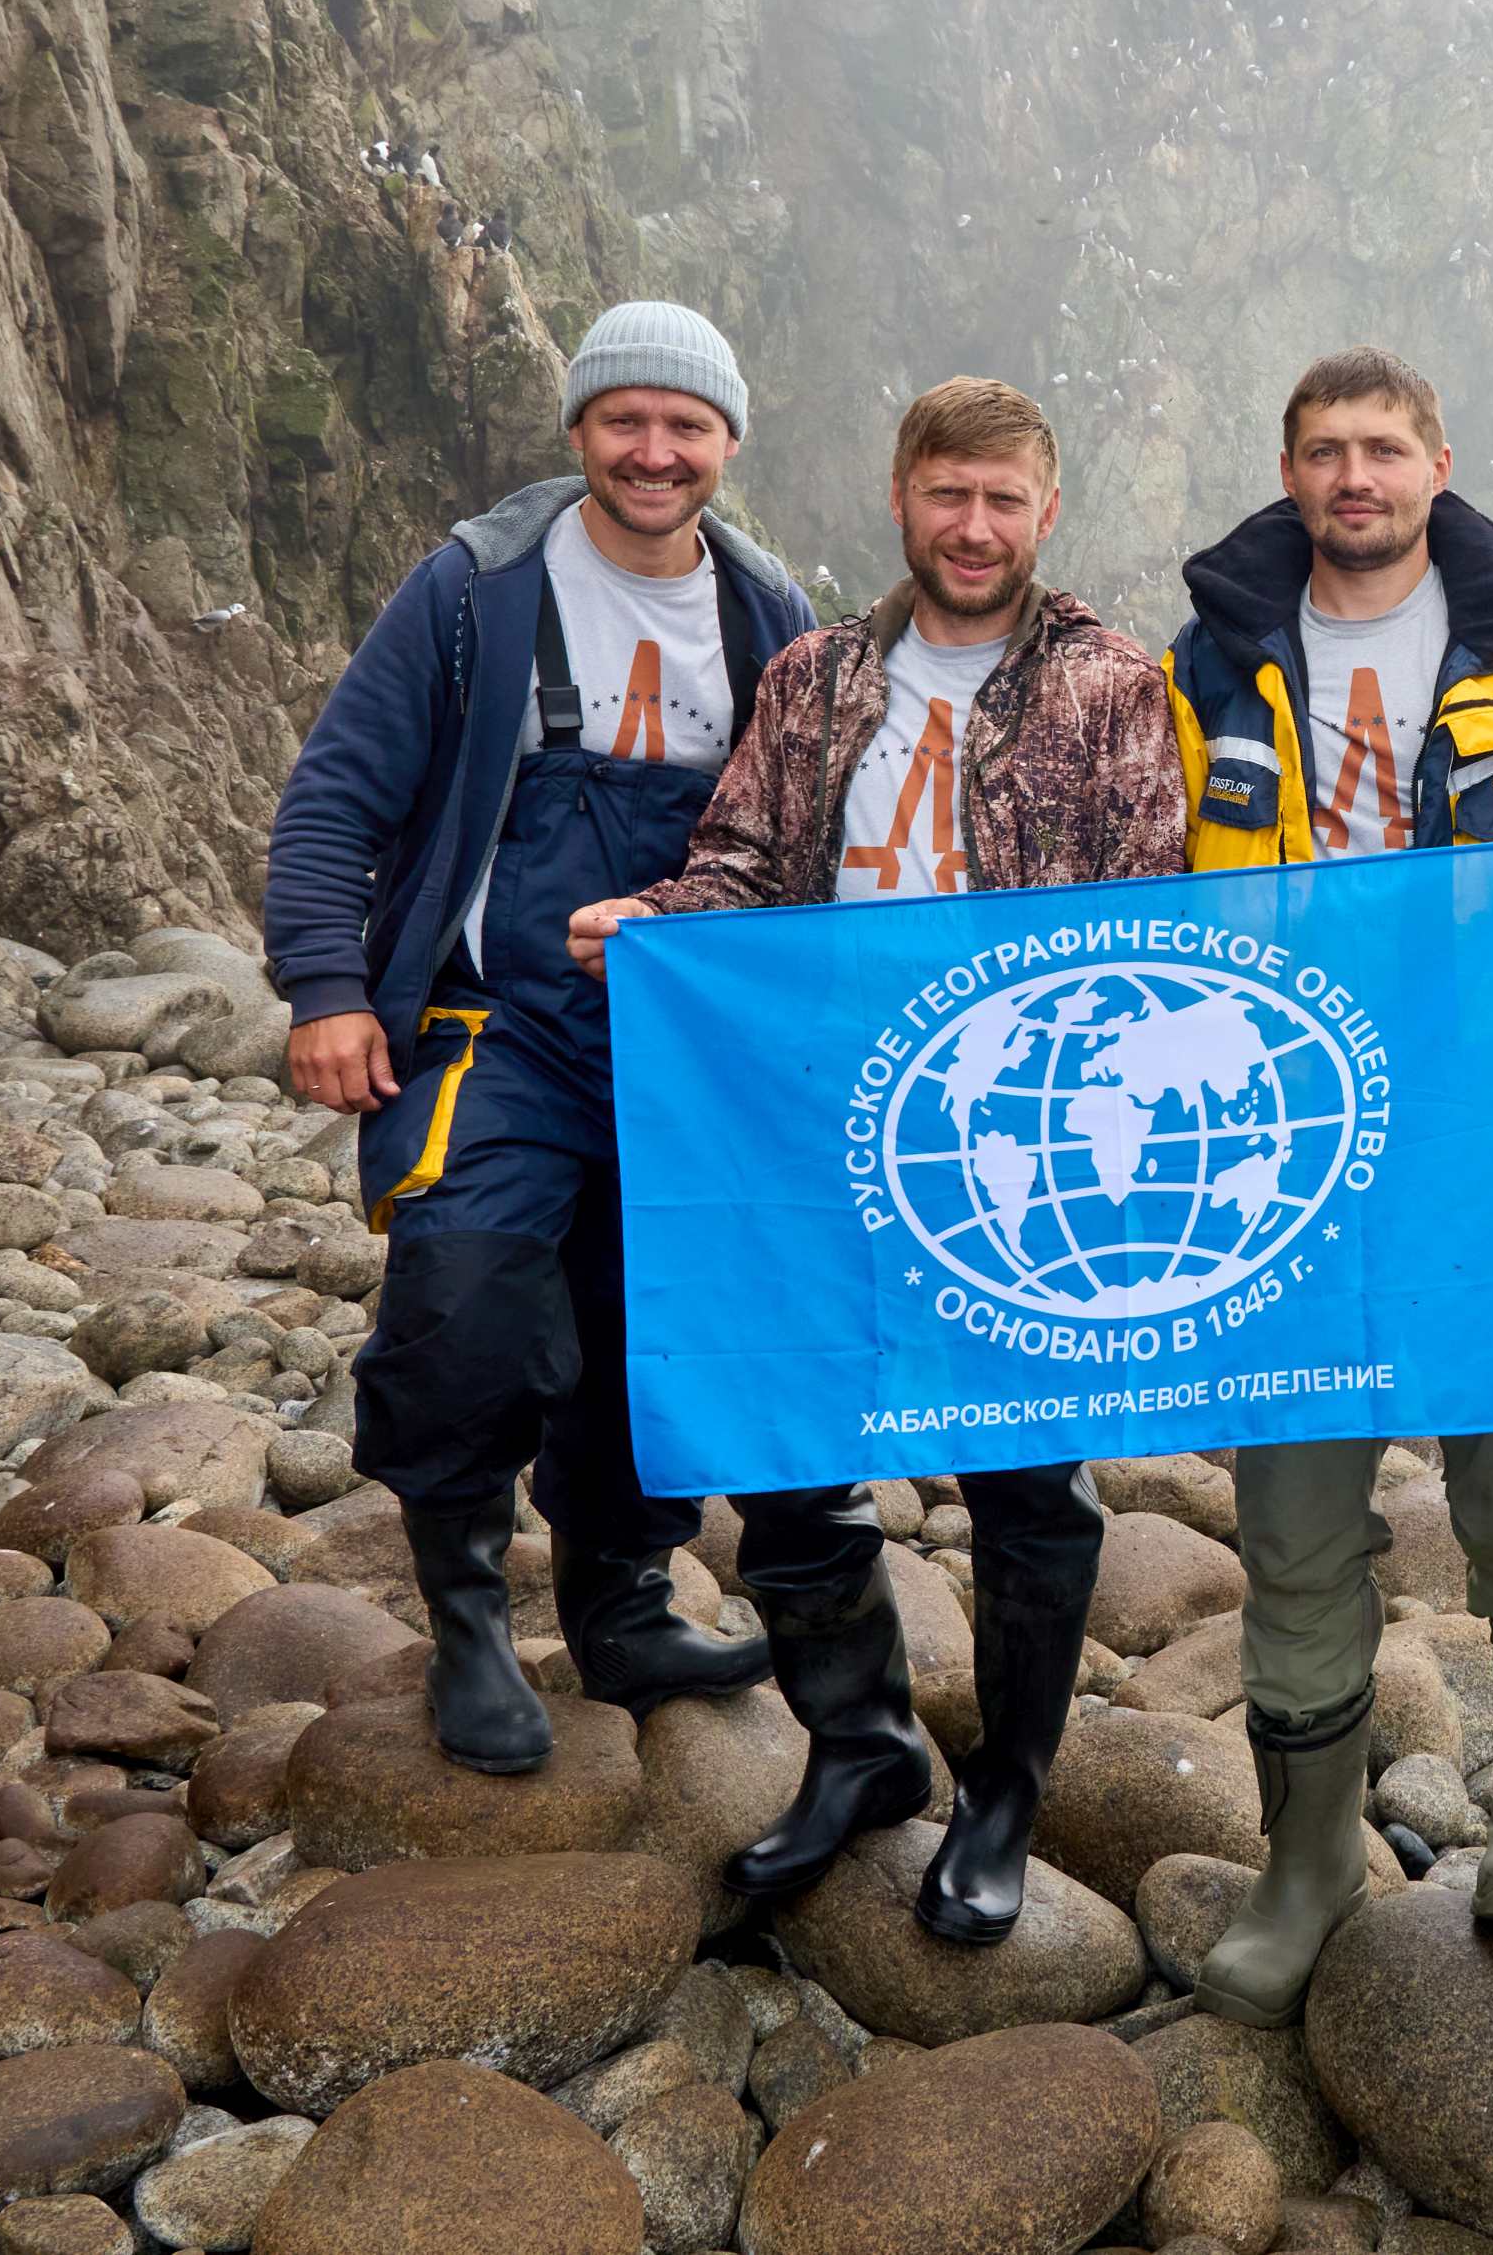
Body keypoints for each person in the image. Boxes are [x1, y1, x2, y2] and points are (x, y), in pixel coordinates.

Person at [568, 376, 1185, 1947]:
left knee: (1025, 1479)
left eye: (1002, 500)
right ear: (899, 501)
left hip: (1014, 1137)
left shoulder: (1113, 686)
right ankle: (861, 1745)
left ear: (1046, 513)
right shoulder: (817, 675)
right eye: (943, 496)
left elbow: (1146, 919)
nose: (970, 528)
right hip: (812, 1119)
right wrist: (664, 924)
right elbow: (742, 863)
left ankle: (1011, 1788)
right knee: (786, 1447)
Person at [263, 301, 811, 1776]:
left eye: (684, 425)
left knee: (655, 1332)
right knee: (465, 1295)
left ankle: (622, 1606)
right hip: (490, 1024)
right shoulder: (472, 591)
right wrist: (323, 990)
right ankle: (463, 1615)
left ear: (726, 445)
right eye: (625, 419)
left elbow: (828, 842)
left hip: (680, 1048)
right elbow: (337, 798)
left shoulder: (773, 616)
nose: (654, 450)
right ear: (576, 433)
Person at [1159, 346, 1493, 2026]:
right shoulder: (1200, 670)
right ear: (1287, 474)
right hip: (1273, 1164)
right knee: (1292, 1527)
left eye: (1380, 448)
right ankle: (1305, 1870)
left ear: (1439, 459)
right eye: (1320, 452)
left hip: (1491, 1158)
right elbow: (1123, 894)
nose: (1351, 477)